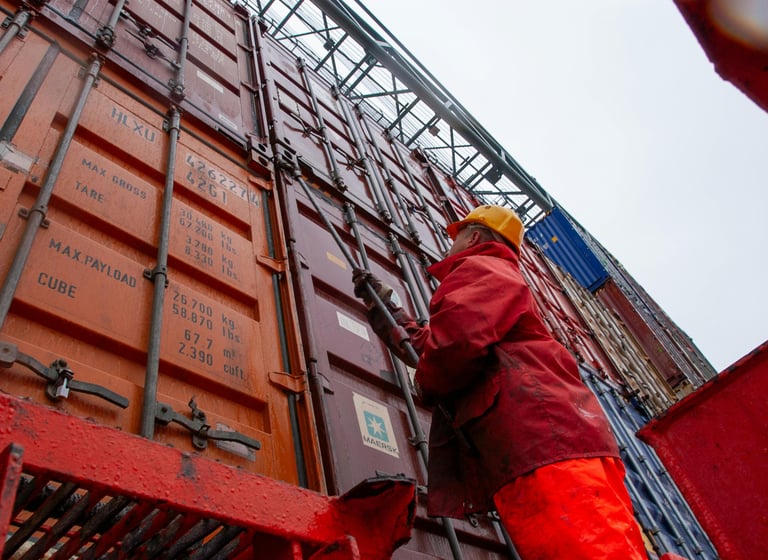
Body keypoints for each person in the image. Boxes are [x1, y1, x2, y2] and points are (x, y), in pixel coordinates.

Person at [352, 205, 649, 559]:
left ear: (474, 237)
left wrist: (426, 384)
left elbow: (455, 347)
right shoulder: (500, 280)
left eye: (457, 235)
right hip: (555, 446)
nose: (450, 244)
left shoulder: (482, 268)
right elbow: (443, 346)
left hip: (544, 447)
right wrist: (388, 312)